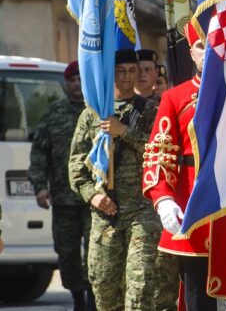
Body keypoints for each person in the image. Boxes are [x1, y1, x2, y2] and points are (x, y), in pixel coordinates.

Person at [143, 24, 226, 311]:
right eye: (201, 46)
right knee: (195, 293)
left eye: (214, 43)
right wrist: (164, 199)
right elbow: (159, 152)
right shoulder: (174, 97)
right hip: (192, 205)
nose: (209, 51)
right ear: (192, 52)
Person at [68, 49, 161, 310]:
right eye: (120, 71)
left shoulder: (150, 111)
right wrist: (93, 195)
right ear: (110, 74)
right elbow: (76, 165)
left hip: (141, 212)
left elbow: (159, 152)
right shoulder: (92, 114)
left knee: (140, 287)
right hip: (105, 215)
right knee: (104, 291)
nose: (127, 77)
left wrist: (124, 132)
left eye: (133, 71)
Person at [28, 61, 92, 310]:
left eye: (80, 79)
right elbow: (39, 153)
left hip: (93, 198)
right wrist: (39, 186)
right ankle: (77, 296)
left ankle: (91, 300)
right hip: (63, 198)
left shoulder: (96, 111)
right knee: (67, 253)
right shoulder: (53, 113)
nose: (76, 84)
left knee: (94, 253)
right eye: (72, 80)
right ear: (66, 84)